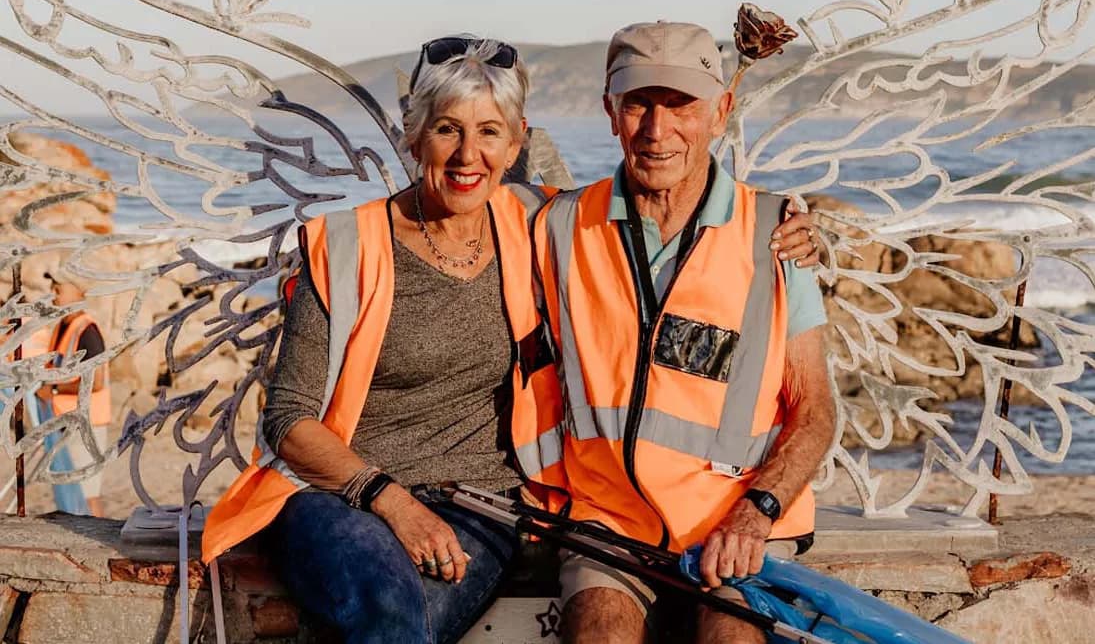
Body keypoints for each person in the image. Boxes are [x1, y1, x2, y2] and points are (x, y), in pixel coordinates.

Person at [203, 35, 821, 644]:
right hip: (346, 493)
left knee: (399, 620)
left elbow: (685, 210)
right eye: (447, 129)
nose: (468, 154)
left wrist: (801, 231)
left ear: (517, 141)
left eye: (489, 132)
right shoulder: (348, 247)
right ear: (412, 135)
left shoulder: (537, 223)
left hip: (479, 506)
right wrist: (391, 500)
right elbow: (288, 417)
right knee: (389, 610)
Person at [532, 22, 835, 644]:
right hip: (608, 518)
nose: (656, 129)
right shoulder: (557, 224)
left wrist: (757, 514)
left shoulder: (776, 234)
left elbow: (817, 410)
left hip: (741, 524)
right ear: (609, 112)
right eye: (638, 103)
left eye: (681, 105)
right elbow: (455, 222)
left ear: (721, 112)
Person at [29, 271, 111, 517]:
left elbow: (95, 382)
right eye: (52, 288)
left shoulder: (87, 330)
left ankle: (97, 550)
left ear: (79, 291)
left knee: (87, 494)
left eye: (59, 288)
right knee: (71, 493)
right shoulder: (64, 327)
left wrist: (53, 388)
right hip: (66, 420)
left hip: (86, 424)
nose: (54, 294)